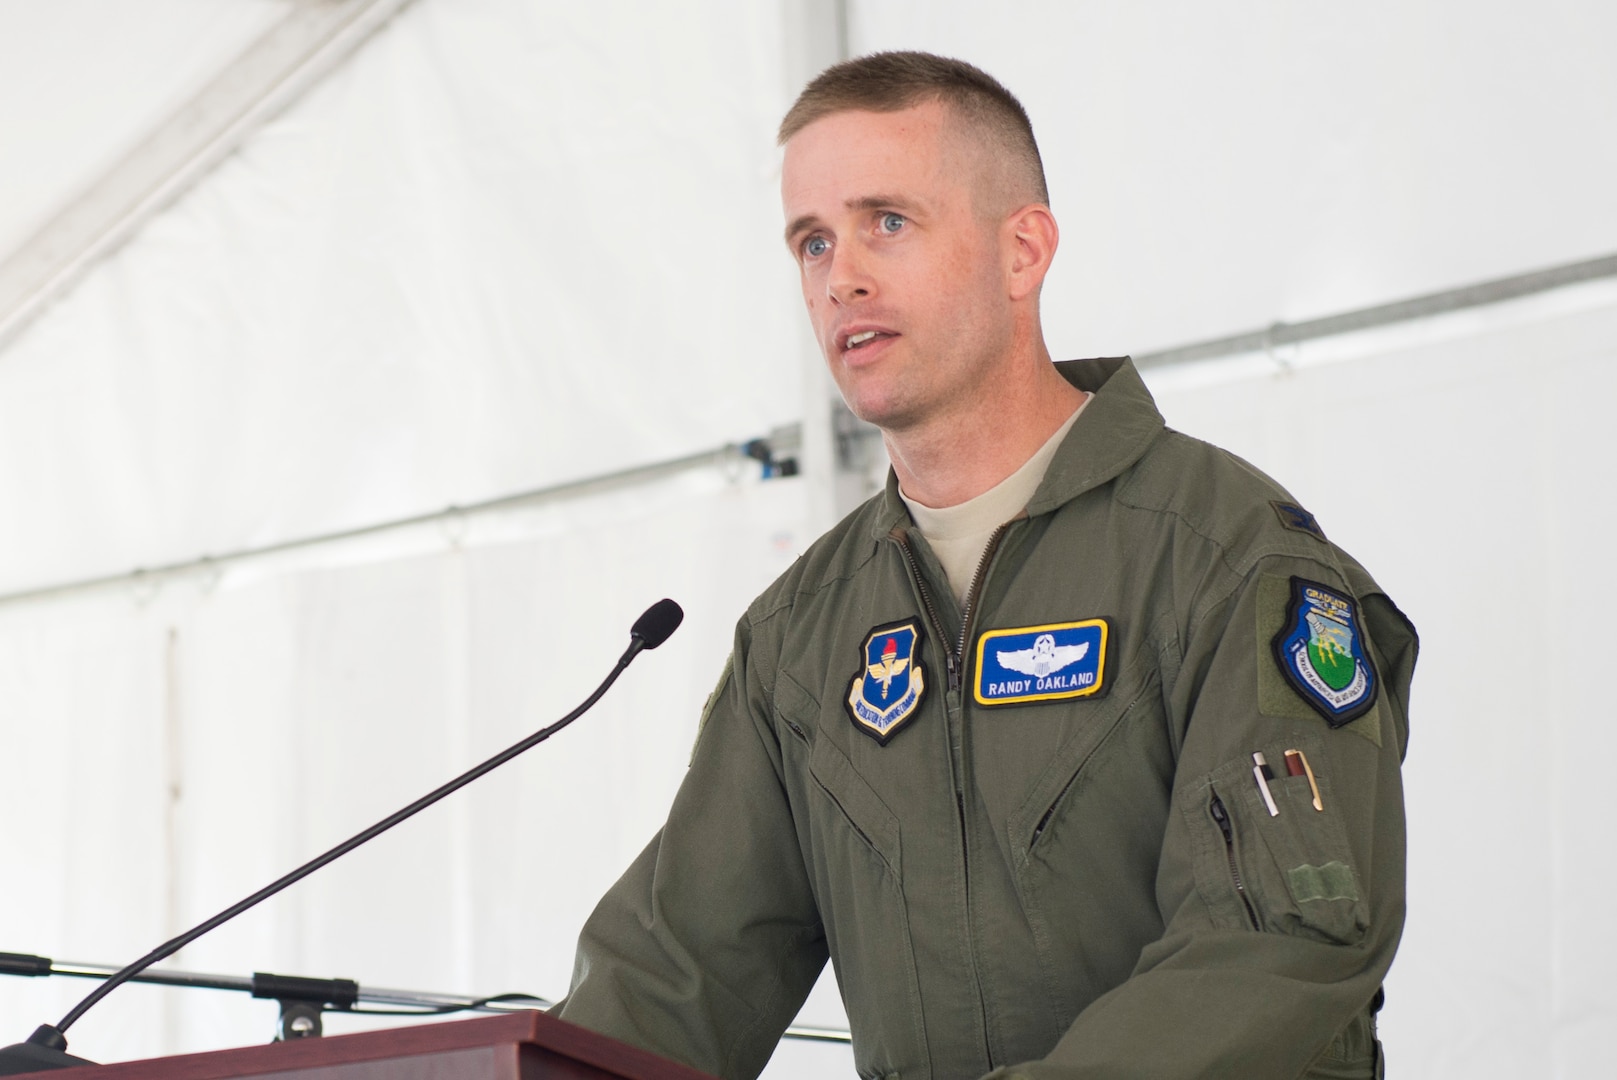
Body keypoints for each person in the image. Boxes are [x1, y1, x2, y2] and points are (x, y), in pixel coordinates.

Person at [555, 51, 1415, 1080]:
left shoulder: (1230, 561)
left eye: (888, 221)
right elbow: (677, 973)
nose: (843, 276)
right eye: (812, 241)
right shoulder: (799, 637)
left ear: (1023, 250)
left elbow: (1274, 949)